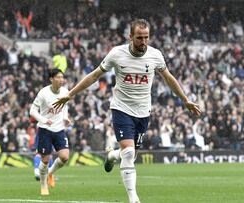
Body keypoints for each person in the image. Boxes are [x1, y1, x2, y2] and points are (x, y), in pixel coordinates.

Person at [53, 19, 201, 203]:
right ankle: (134, 199)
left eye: (146, 37)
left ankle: (113, 155)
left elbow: (168, 78)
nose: (144, 42)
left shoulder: (155, 55)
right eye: (139, 38)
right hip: (121, 109)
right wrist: (70, 94)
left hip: (143, 112)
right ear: (130, 36)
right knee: (129, 153)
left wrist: (185, 100)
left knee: (130, 154)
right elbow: (94, 75)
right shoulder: (117, 53)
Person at [30, 68, 71, 195]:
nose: (61, 80)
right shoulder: (43, 93)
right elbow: (32, 111)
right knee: (45, 160)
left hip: (59, 129)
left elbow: (64, 106)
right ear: (51, 79)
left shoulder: (65, 91)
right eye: (58, 77)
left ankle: (50, 174)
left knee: (64, 157)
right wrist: (43, 119)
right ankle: (43, 185)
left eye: (62, 77)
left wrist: (65, 117)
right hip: (45, 130)